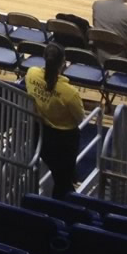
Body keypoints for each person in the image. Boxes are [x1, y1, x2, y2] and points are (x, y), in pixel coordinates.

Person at [26, 43, 85, 197]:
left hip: (39, 132)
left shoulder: (31, 74)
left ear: (45, 58)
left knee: (58, 173)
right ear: (64, 63)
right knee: (62, 183)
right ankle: (59, 207)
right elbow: (80, 118)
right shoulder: (70, 93)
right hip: (64, 140)